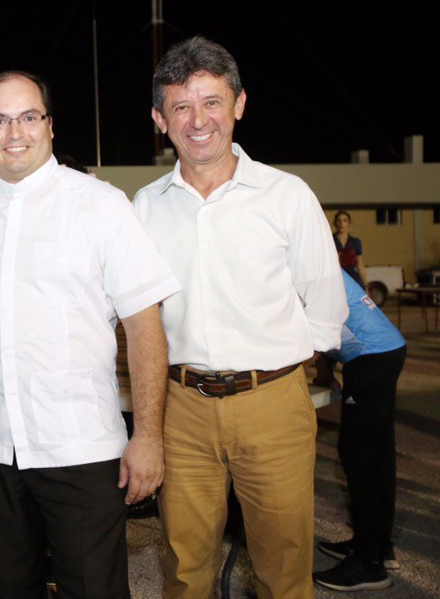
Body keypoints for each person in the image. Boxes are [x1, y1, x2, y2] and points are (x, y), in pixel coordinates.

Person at [0, 71, 180, 598]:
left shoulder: (101, 205)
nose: (14, 131)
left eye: (28, 116)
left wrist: (149, 437)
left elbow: (144, 326)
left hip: (79, 448)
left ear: (49, 126)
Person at [132, 37, 348, 598]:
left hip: (272, 405)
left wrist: (280, 378)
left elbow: (326, 305)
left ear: (240, 104)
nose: (198, 120)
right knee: (184, 570)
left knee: (283, 570)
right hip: (180, 410)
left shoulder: (287, 195)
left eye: (212, 102)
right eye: (181, 106)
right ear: (160, 119)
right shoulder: (144, 207)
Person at [312, 269, 405, 592]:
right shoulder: (317, 260)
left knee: (360, 457)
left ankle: (368, 564)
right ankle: (376, 545)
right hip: (383, 350)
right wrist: (325, 375)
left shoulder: (300, 265)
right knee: (377, 455)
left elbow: (304, 335)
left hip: (370, 357)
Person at [333, 210, 367, 289]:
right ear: (335, 223)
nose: (341, 224)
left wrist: (365, 283)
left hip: (352, 278)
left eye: (344, 220)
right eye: (339, 220)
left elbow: (360, 264)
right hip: (336, 278)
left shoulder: (355, 242)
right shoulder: (329, 241)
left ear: (349, 223)